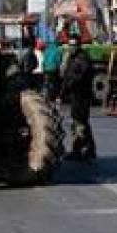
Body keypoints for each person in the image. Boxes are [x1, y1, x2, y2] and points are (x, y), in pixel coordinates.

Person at [60, 32, 97, 162]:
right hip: (74, 95)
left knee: (81, 122)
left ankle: (85, 150)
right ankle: (83, 149)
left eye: (74, 45)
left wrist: (71, 82)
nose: (71, 47)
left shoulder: (83, 58)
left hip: (83, 94)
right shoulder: (71, 58)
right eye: (70, 45)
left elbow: (82, 76)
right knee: (78, 122)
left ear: (79, 45)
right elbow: (66, 76)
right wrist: (62, 93)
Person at [42, 33, 63, 103]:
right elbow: (58, 61)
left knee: (47, 83)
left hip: (46, 69)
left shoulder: (47, 49)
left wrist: (44, 68)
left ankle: (46, 97)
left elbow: (44, 60)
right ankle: (52, 97)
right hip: (53, 69)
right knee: (54, 83)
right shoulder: (58, 50)